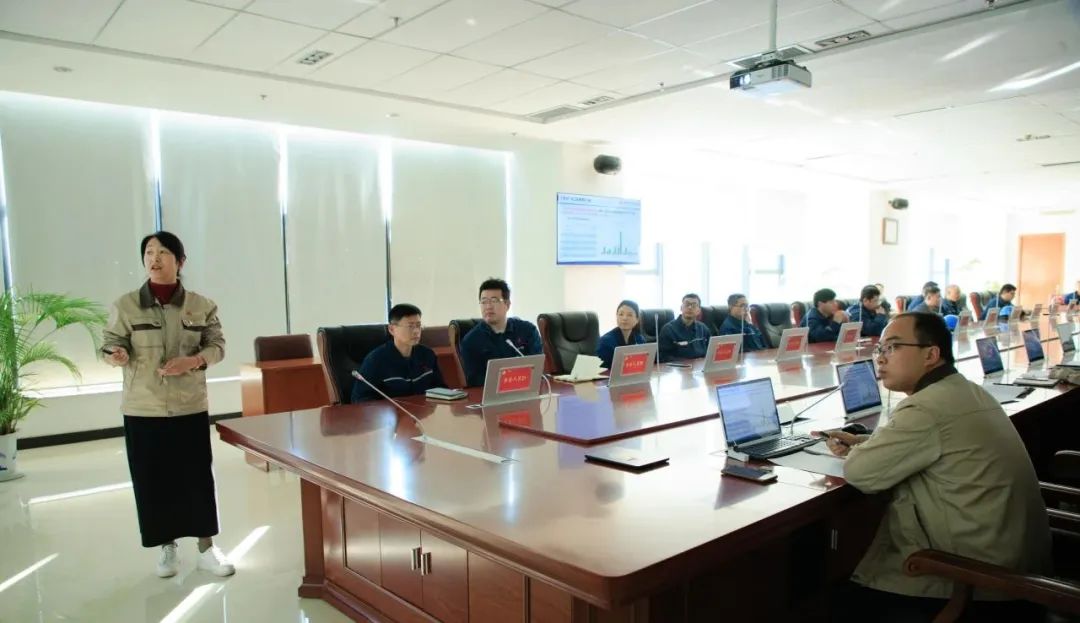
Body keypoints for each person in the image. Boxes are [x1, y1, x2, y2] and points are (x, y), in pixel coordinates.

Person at [820, 313, 1050, 622]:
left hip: (974, 584)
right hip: (1015, 570)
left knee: (832, 598)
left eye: (893, 347)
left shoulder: (925, 407)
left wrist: (862, 452)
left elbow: (860, 474)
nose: (881, 358)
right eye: (880, 349)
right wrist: (866, 443)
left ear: (931, 354)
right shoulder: (965, 390)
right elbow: (931, 442)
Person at [101, 231, 234, 579]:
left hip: (189, 405)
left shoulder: (201, 306)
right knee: (152, 480)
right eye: (148, 252)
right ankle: (167, 547)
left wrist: (193, 361)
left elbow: (217, 346)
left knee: (197, 478)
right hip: (142, 408)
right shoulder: (126, 305)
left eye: (162, 252)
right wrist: (115, 355)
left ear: (180, 261)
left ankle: (206, 548)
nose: (154, 258)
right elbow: (110, 343)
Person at [352, 304, 446, 402]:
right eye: (410, 326)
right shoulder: (375, 360)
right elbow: (360, 400)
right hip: (391, 410)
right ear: (392, 329)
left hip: (423, 410)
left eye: (418, 326)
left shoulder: (427, 355)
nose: (416, 331)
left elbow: (440, 389)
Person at [459, 278, 542, 387]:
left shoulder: (528, 331)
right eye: (484, 302)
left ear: (507, 304)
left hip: (526, 390)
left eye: (494, 301)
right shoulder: (471, 341)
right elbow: (475, 381)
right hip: (491, 394)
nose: (488, 307)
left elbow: (537, 368)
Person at [658, 293, 710, 361]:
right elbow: (662, 356)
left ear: (698, 311)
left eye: (694, 305)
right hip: (678, 366)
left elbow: (710, 351)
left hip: (701, 365)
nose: (690, 307)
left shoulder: (703, 329)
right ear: (681, 308)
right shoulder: (668, 329)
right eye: (687, 304)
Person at [596, 300, 645, 369]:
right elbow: (601, 369)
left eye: (629, 315)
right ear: (616, 316)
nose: (624, 318)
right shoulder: (606, 341)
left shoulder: (640, 339)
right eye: (621, 314)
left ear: (637, 320)